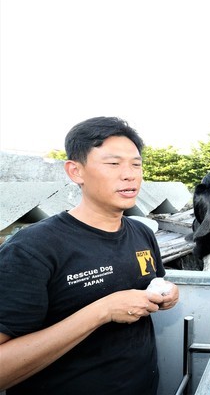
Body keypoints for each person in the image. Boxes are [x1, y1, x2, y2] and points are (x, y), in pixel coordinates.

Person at [0, 116, 179, 394]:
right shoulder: (33, 248)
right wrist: (102, 311)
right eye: (113, 163)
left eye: (136, 164)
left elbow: (153, 284)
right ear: (75, 171)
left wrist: (167, 292)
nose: (130, 174)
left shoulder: (141, 233)